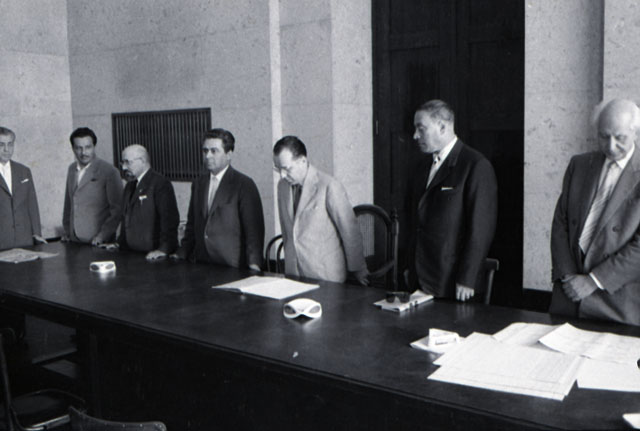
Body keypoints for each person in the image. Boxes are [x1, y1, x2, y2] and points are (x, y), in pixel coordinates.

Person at [550, 98, 640, 326]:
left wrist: (593, 281)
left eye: (620, 138)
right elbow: (561, 222)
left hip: (617, 303)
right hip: (569, 298)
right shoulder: (579, 164)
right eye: (604, 136)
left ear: (636, 133)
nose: (610, 146)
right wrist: (568, 276)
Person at [404, 100, 497, 301]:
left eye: (421, 128)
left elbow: (481, 229)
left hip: (453, 283)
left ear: (442, 127)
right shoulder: (420, 167)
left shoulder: (475, 165)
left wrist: (467, 278)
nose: (415, 135)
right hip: (419, 280)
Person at [273, 136, 368, 284]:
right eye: (277, 169)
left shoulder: (329, 185)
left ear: (303, 161)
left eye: (286, 168)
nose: (282, 175)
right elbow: (287, 231)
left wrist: (358, 269)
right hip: (294, 273)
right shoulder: (282, 187)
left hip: (325, 275)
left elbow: (349, 230)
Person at [172, 128, 264, 270]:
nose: (208, 156)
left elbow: (253, 233)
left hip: (231, 266)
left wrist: (254, 265)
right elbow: (192, 225)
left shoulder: (243, 184)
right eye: (205, 151)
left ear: (229, 154)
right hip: (201, 263)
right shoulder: (199, 183)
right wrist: (181, 254)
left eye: (214, 151)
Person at [113, 144, 179, 260]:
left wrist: (163, 250)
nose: (123, 167)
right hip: (131, 254)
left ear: (142, 161)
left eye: (128, 162)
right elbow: (126, 219)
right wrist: (119, 244)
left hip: (153, 256)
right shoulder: (130, 185)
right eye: (122, 163)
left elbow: (169, 220)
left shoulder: (160, 184)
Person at [62, 127, 122, 245]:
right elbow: (68, 204)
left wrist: (102, 236)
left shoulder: (109, 171)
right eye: (79, 148)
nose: (83, 152)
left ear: (94, 146)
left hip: (98, 242)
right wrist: (68, 231)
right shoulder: (71, 169)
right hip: (74, 240)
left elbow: (117, 210)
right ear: (73, 148)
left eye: (88, 147)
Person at [0, 126, 46, 250]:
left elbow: (32, 204)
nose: (6, 149)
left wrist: (36, 233)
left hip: (25, 240)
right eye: (1, 145)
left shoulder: (24, 171)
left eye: (10, 144)